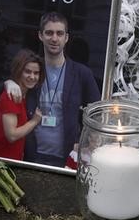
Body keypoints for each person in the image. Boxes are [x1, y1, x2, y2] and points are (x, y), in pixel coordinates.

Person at [6, 12, 101, 167]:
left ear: (66, 38)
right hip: (31, 155)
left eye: (59, 33)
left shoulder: (81, 73)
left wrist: (84, 143)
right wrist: (9, 83)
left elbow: (98, 113)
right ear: (40, 36)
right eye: (49, 33)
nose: (54, 38)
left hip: (68, 158)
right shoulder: (31, 70)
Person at [0, 49, 44, 160]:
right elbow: (12, 135)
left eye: (36, 73)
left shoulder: (24, 95)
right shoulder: (11, 95)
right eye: (27, 71)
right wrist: (34, 121)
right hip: (2, 163)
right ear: (19, 71)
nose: (32, 77)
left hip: (12, 162)